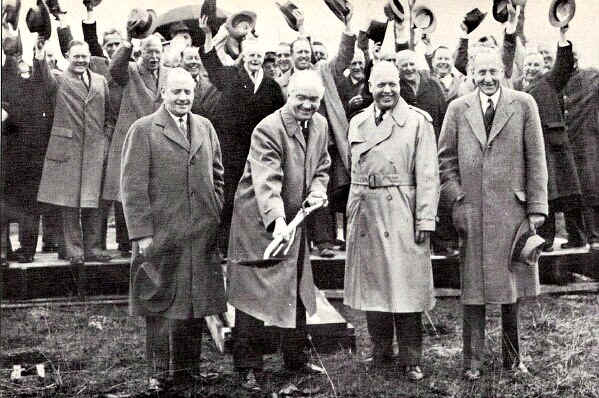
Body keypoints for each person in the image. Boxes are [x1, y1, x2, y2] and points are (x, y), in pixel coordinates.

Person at [438, 48, 548, 381]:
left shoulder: (523, 104)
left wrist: (537, 208)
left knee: (510, 290)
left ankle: (513, 359)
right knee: (472, 291)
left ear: (503, 72)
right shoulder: (458, 109)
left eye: (493, 72)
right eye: (481, 72)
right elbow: (445, 161)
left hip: (511, 213)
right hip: (471, 212)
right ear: (471, 74)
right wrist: (457, 199)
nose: (487, 78)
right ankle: (472, 361)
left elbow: (536, 158)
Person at [120, 68, 226, 391]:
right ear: (163, 92)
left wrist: (214, 209)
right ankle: (159, 374)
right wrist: (141, 234)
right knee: (160, 303)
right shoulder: (143, 130)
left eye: (188, 92)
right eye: (176, 92)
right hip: (162, 236)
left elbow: (218, 174)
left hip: (199, 235)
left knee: (195, 304)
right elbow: (132, 187)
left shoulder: (205, 127)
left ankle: (188, 370)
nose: (183, 98)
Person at [226, 70, 331, 392]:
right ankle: (247, 366)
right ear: (289, 95)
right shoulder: (268, 129)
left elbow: (322, 166)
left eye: (314, 100)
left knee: (297, 288)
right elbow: (266, 181)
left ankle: (295, 358)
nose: (307, 105)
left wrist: (317, 189)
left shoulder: (321, 126)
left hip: (294, 222)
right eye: (301, 97)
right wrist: (278, 223)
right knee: (252, 297)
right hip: (259, 223)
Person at [344, 61, 439, 381]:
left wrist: (425, 218)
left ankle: (412, 358)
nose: (387, 90)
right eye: (380, 84)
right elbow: (353, 169)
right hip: (367, 212)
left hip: (402, 209)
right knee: (374, 286)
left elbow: (428, 174)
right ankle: (381, 350)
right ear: (369, 86)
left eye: (392, 84)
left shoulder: (417, 122)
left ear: (400, 86)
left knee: (406, 286)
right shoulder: (357, 122)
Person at [199, 16, 285, 254]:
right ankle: (226, 245)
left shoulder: (272, 87)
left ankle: (259, 243)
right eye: (251, 55)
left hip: (261, 149)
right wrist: (208, 34)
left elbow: (279, 118)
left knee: (261, 194)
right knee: (231, 196)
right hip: (233, 150)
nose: (255, 59)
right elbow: (211, 63)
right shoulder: (230, 78)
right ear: (244, 57)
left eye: (259, 56)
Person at [37, 40, 114, 266]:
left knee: (93, 201)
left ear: (89, 56)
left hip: (94, 150)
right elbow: (44, 76)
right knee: (68, 204)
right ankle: (74, 251)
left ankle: (92, 248)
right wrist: (40, 53)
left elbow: (109, 114)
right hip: (67, 149)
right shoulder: (59, 80)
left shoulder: (100, 81)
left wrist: (105, 139)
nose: (80, 60)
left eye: (84, 56)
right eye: (76, 56)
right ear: (68, 56)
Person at [103, 34, 167, 256]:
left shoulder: (168, 74)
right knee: (127, 189)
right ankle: (124, 242)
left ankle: (152, 237)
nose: (155, 56)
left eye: (158, 51)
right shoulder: (129, 70)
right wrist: (129, 41)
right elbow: (113, 67)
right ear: (141, 52)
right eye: (150, 51)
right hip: (131, 139)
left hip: (159, 141)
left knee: (155, 188)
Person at [525, 26, 582, 252]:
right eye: (528, 64)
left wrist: (563, 37)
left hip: (554, 147)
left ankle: (578, 238)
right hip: (535, 149)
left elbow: (564, 65)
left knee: (569, 195)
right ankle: (546, 240)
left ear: (544, 68)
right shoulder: (522, 88)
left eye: (536, 65)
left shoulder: (549, 81)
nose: (531, 68)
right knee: (544, 195)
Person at [2, 36, 57, 263]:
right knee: (4, 205)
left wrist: (39, 56)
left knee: (30, 208)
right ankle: (4, 250)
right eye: (16, 61)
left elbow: (45, 79)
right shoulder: (6, 80)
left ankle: (27, 251)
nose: (21, 66)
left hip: (33, 156)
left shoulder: (40, 83)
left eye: (25, 64)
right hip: (7, 154)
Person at [563, 45, 599, 250]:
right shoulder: (555, 81)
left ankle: (594, 236)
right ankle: (576, 236)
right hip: (565, 145)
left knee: (591, 189)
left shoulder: (592, 76)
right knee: (570, 192)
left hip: (588, 142)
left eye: (574, 56)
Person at [180, 46, 221, 119]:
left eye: (197, 58)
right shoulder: (174, 83)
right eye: (189, 58)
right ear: (181, 61)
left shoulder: (211, 84)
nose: (194, 61)